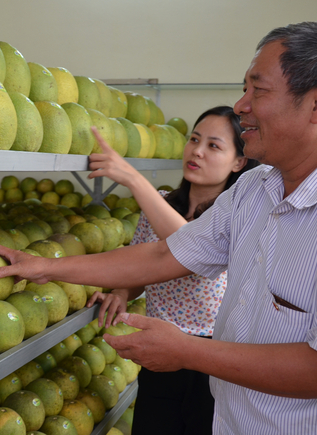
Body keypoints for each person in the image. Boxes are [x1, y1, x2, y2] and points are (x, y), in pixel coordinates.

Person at [0, 22, 317, 433]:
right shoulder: (255, 187)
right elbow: (165, 252)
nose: (241, 104)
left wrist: (187, 352)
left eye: (258, 89)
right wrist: (44, 267)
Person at [87, 105, 258, 434]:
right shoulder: (159, 204)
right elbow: (143, 265)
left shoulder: (234, 217)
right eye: (194, 139)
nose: (197, 151)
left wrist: (134, 179)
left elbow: (190, 248)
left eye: (214, 145)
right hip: (158, 353)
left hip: (210, 360)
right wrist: (123, 291)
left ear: (239, 162)